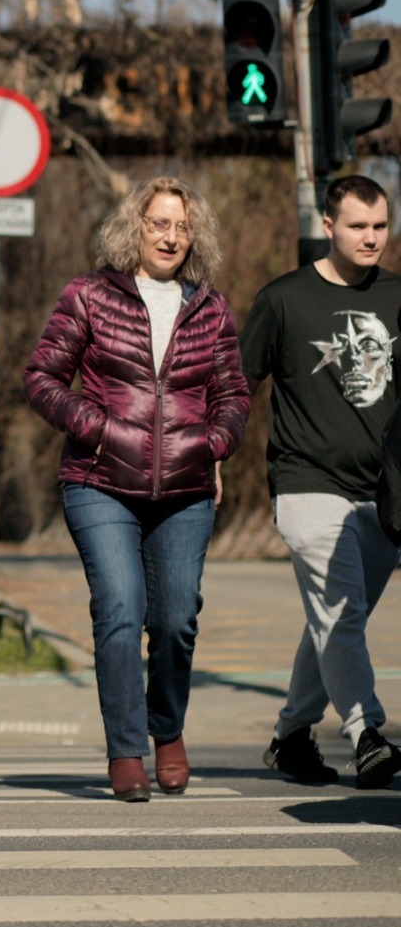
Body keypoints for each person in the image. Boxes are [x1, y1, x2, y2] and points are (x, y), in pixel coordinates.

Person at [24, 175, 249, 802]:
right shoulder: (90, 296)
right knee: (120, 610)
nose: (171, 236)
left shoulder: (212, 306)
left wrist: (213, 443)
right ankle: (126, 750)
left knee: (176, 619)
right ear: (135, 228)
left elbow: (234, 394)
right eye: (159, 223)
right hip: (99, 482)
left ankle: (167, 730)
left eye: (182, 226)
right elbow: (41, 377)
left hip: (185, 487)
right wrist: (98, 429)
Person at [240, 174, 401, 790]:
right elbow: (235, 385)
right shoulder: (284, 299)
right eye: (358, 226)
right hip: (305, 480)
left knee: (335, 620)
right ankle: (367, 734)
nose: (371, 238)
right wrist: (211, 458)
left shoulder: (398, 296)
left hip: (382, 495)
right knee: (342, 610)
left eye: (380, 226)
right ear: (328, 225)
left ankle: (289, 736)